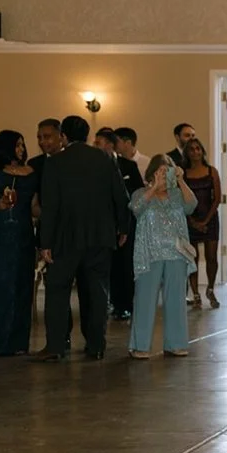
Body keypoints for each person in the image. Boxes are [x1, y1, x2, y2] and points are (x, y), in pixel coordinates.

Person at [32, 115, 130, 362]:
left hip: (65, 239)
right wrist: (123, 228)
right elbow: (120, 195)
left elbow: (51, 206)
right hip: (100, 236)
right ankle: (96, 346)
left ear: (63, 135)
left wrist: (45, 243)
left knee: (57, 290)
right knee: (98, 293)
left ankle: (55, 346)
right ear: (88, 135)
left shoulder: (55, 162)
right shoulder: (106, 158)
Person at [128, 155, 198, 359]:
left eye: (168, 170)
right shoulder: (141, 193)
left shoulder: (177, 195)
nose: (164, 174)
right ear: (151, 172)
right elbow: (135, 208)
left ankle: (175, 343)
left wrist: (181, 180)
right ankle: (140, 345)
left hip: (176, 253)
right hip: (149, 252)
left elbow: (192, 205)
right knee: (144, 299)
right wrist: (153, 187)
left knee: (176, 298)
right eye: (160, 170)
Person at [0, 130, 37, 357]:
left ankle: (18, 342)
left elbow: (33, 206)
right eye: (17, 145)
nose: (21, 149)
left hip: (22, 233)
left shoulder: (31, 172)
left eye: (23, 145)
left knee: (22, 287)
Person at [97, 127, 145, 321]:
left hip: (126, 221)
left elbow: (138, 191)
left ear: (110, 145)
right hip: (104, 222)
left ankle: (127, 303)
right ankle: (114, 303)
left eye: (98, 143)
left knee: (126, 265)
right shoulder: (95, 167)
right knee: (109, 266)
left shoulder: (128, 166)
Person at [181, 137, 222, 309]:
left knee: (211, 257)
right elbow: (180, 199)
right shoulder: (182, 173)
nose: (195, 152)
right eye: (191, 149)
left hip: (210, 218)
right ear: (187, 153)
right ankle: (195, 293)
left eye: (198, 148)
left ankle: (210, 289)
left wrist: (205, 220)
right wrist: (192, 221)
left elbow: (218, 198)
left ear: (202, 151)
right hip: (190, 218)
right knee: (193, 258)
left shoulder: (211, 171)